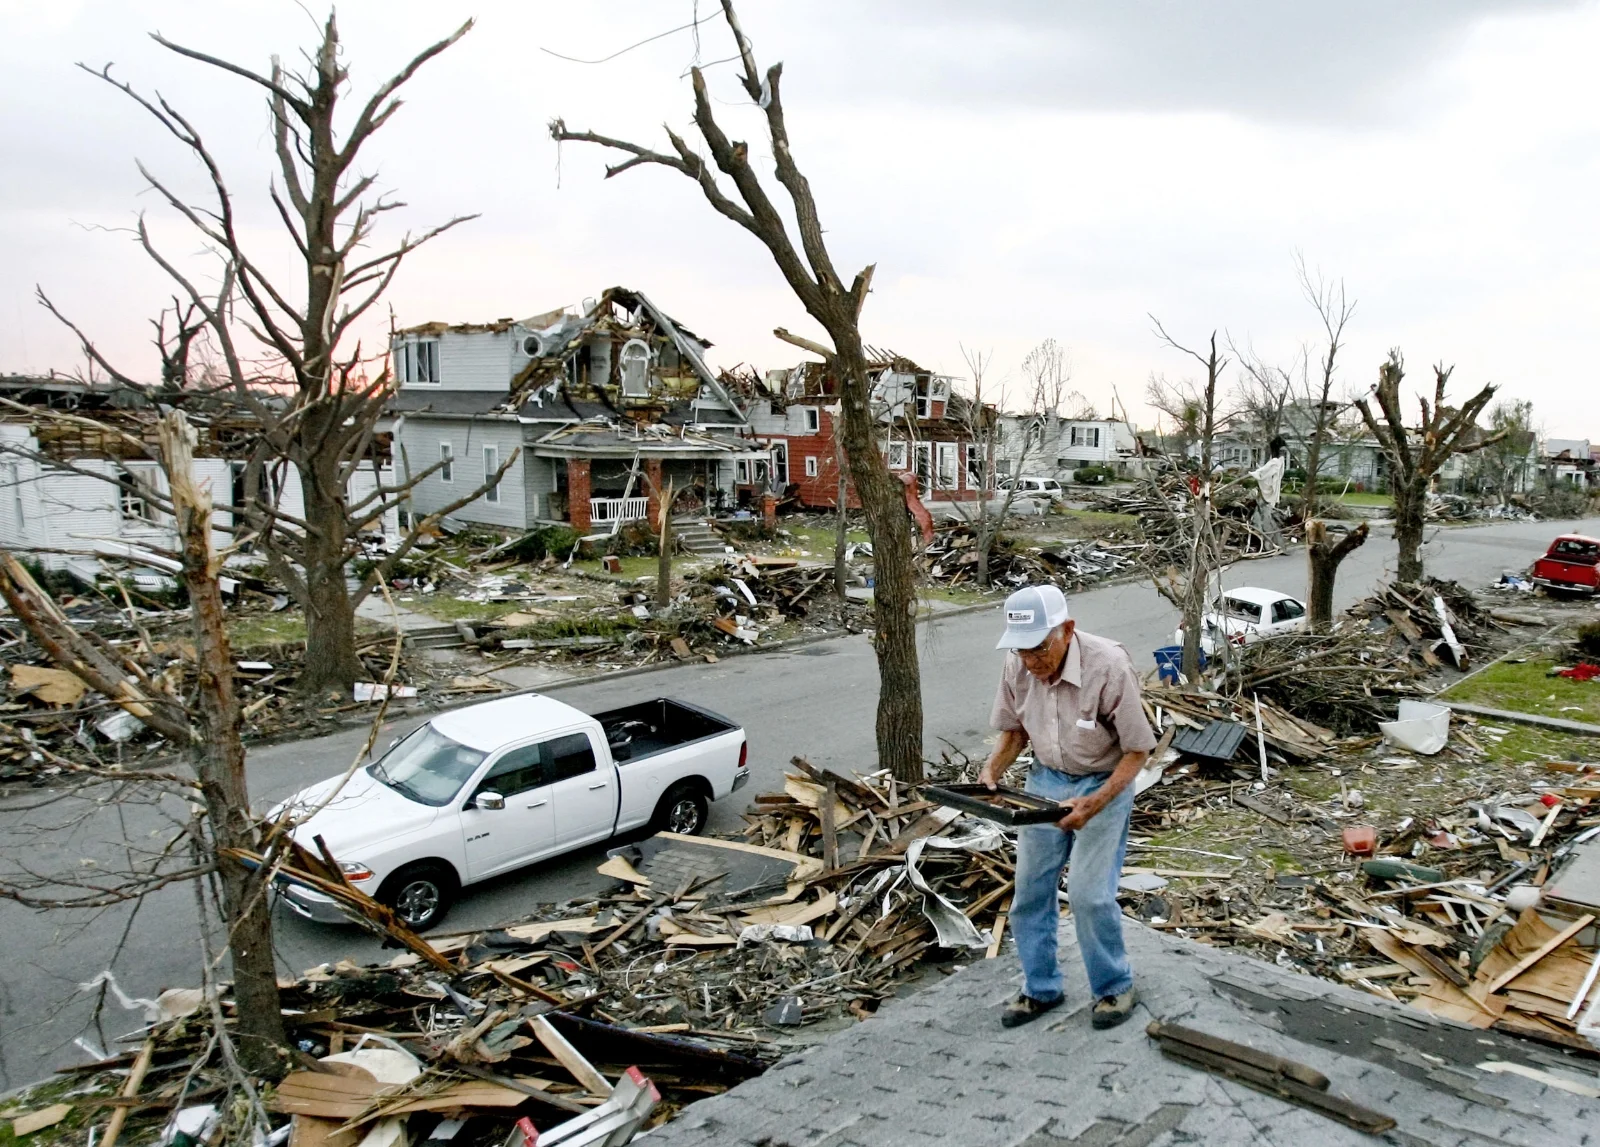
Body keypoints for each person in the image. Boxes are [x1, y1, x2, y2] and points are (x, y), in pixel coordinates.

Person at [981, 583, 1155, 1031]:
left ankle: (1115, 987)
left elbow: (1138, 750)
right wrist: (992, 772)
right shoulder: (1018, 662)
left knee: (1089, 895)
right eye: (1022, 651)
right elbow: (1015, 732)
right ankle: (1041, 988)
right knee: (1029, 894)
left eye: (1040, 649)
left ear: (1067, 630)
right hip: (1045, 781)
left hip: (1104, 782)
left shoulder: (1109, 665)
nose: (1032, 662)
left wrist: (1095, 803)